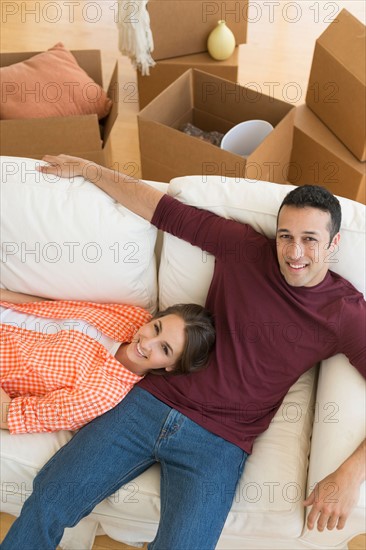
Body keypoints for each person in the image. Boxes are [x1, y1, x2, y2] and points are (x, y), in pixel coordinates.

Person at [2, 155, 365, 550]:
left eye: (310, 239)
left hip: (219, 443)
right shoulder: (243, 248)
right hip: (147, 405)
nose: (294, 252)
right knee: (50, 498)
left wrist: (350, 474)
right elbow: (164, 212)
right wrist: (91, 170)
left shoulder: (344, 312)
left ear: (334, 243)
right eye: (285, 236)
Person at [0, 289, 215, 433]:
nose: (147, 342)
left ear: (172, 366)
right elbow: (56, 306)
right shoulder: (134, 317)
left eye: (165, 348)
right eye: (156, 328)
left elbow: (9, 415)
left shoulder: (101, 394)